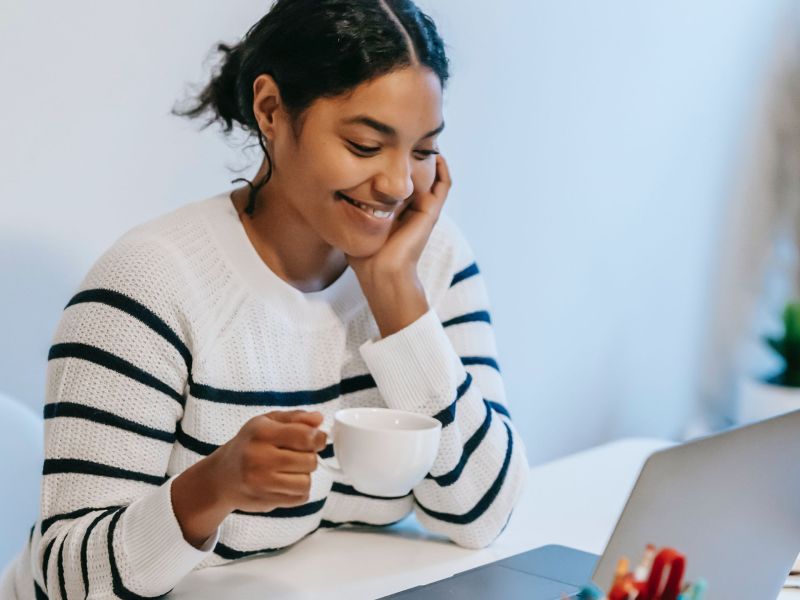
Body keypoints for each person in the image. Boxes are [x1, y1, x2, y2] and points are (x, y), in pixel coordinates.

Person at [0, 0, 529, 597]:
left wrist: (395, 294)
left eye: (423, 151)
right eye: (363, 145)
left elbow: (484, 515)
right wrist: (211, 487)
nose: (398, 184)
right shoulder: (150, 284)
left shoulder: (426, 257)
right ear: (271, 110)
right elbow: (67, 578)